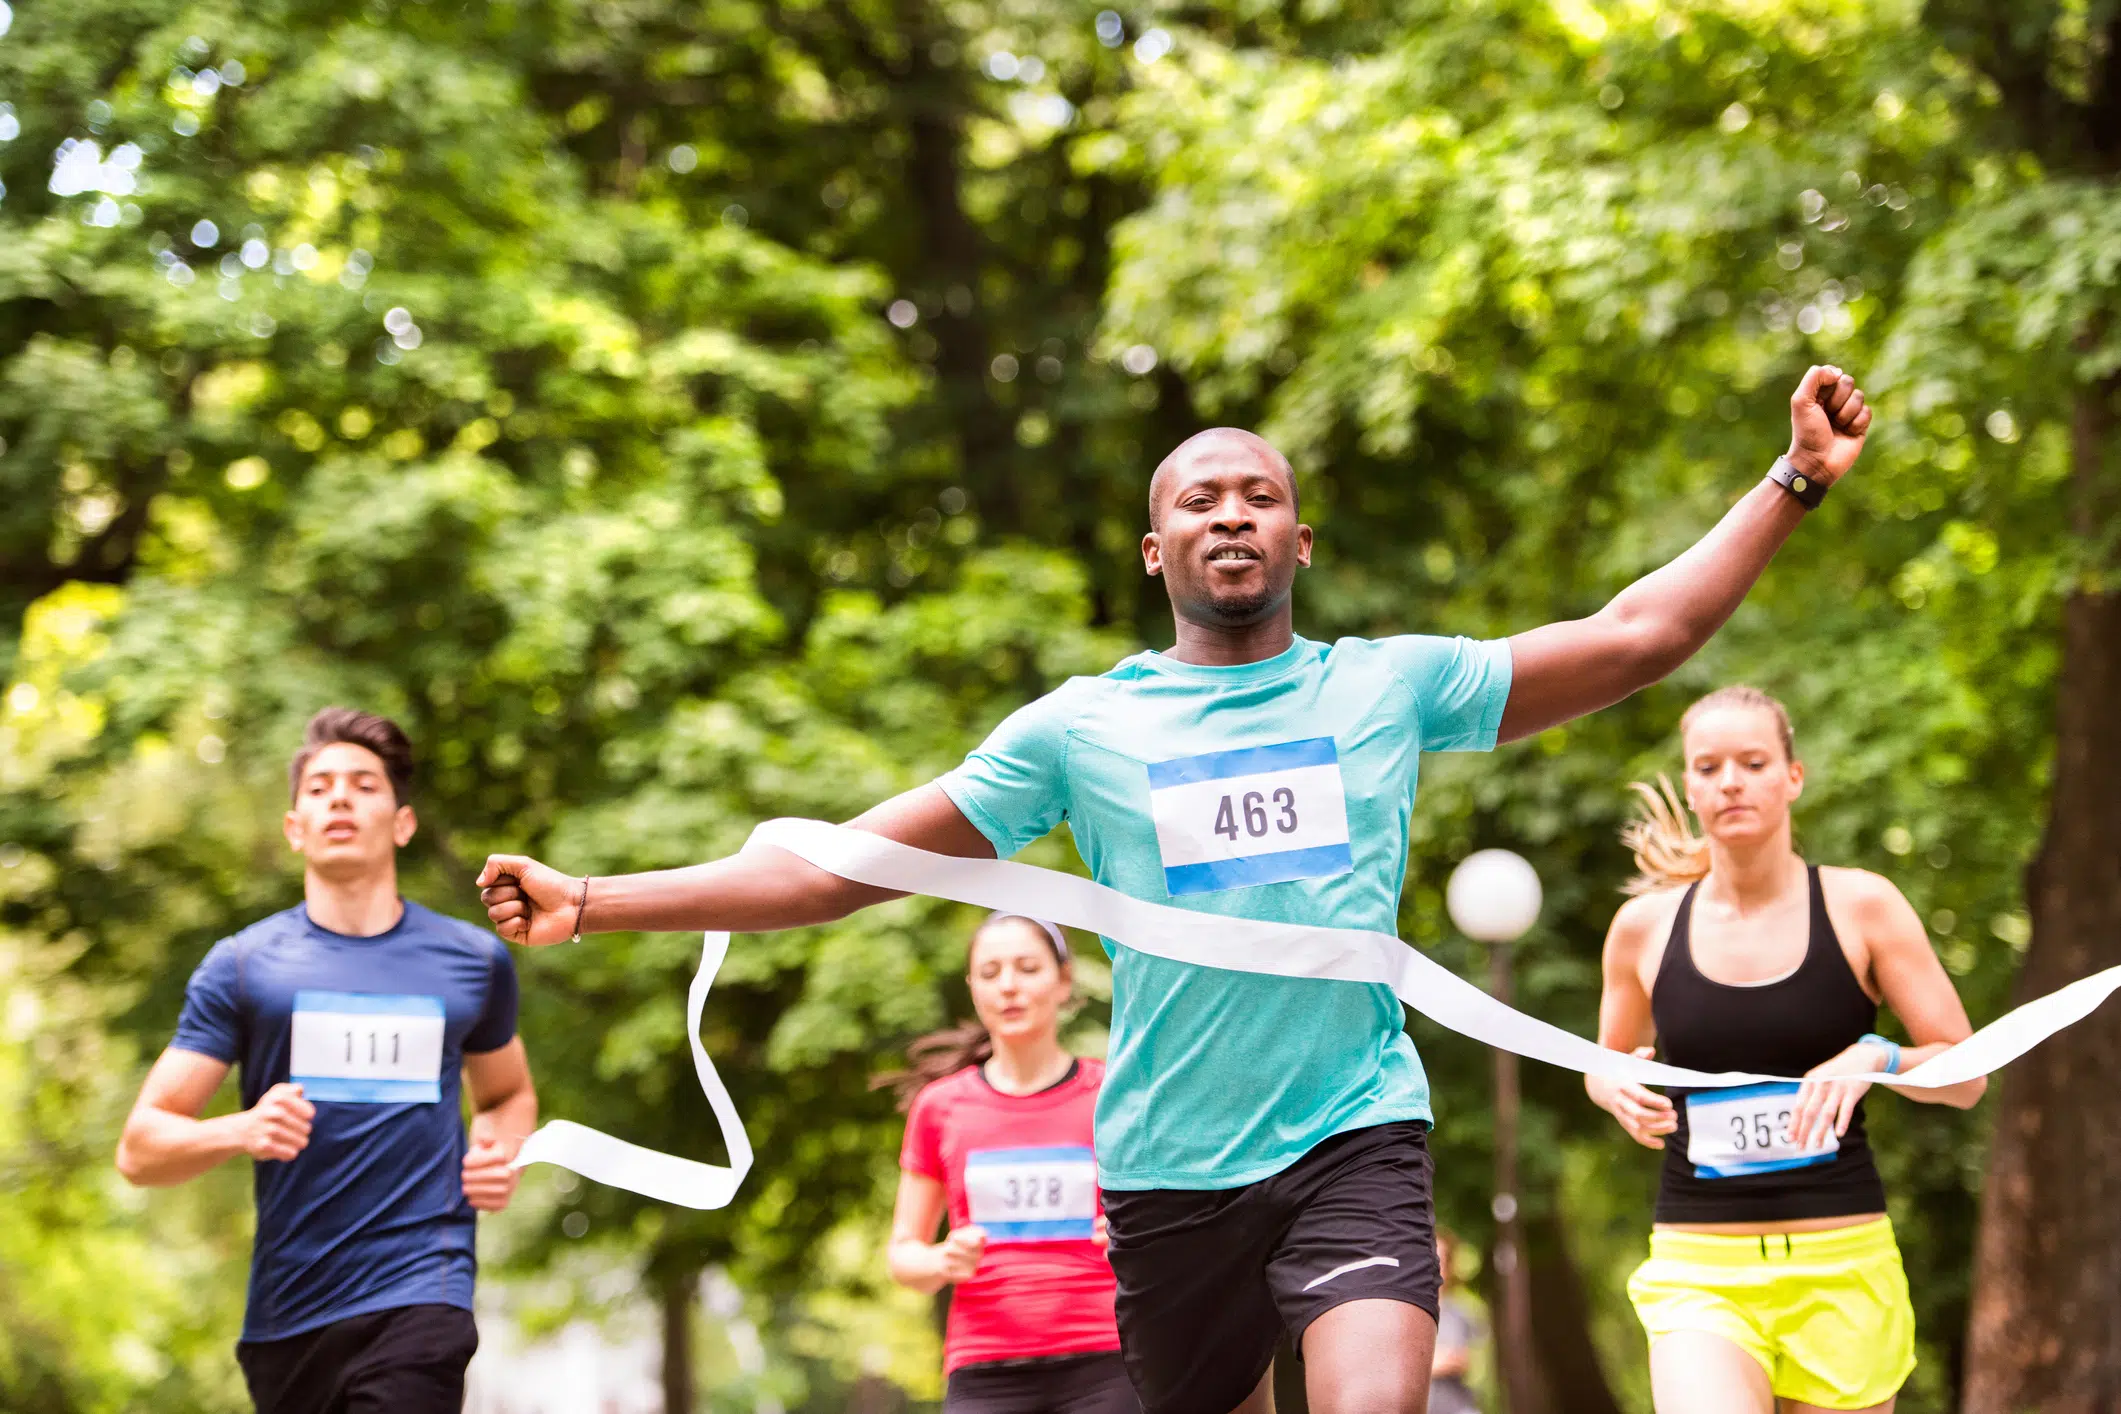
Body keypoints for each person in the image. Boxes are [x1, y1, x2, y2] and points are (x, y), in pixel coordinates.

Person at [479, 366, 1873, 1414]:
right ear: (1156, 552)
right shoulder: (1081, 729)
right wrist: (596, 897)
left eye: (1256, 494)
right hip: (1165, 1170)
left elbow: (1643, 633)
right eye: (1196, 499)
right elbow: (834, 867)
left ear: (1297, 539)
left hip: (1353, 1133)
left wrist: (1792, 480)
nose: (1228, 513)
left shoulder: (1379, 685)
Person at [117, 708, 537, 1414]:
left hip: (421, 1288)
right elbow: (140, 1148)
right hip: (291, 1313)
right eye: (319, 788)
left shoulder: (471, 961)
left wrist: (502, 1153)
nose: (339, 797)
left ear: (402, 822)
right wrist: (240, 1130)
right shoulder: (243, 968)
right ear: (294, 828)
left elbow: (507, 1095)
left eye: (363, 784)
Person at [1584, 686, 1988, 1413]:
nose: (1729, 781)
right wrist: (1609, 1087)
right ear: (1688, 785)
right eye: (1707, 767)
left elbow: (1966, 1079)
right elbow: (1608, 1063)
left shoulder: (1862, 905)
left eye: (1752, 761)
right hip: (1700, 1271)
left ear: (1792, 776)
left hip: (1843, 1268)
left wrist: (1878, 1057)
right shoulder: (1641, 929)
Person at [884, 911, 1136, 1414]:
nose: (1009, 987)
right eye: (991, 972)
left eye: (1026, 968)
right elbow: (903, 1255)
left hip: (1108, 1360)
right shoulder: (940, 1106)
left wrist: (1135, 1231)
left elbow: (1176, 1218)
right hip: (983, 1367)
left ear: (1064, 982)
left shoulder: (1113, 1093)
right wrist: (942, 1259)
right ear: (973, 988)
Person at [1426, 1231, 1483, 1414]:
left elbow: (1461, 1360)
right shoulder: (1406, 1314)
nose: (1437, 1266)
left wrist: (1424, 1365)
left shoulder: (1459, 1314)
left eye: (1442, 1260)